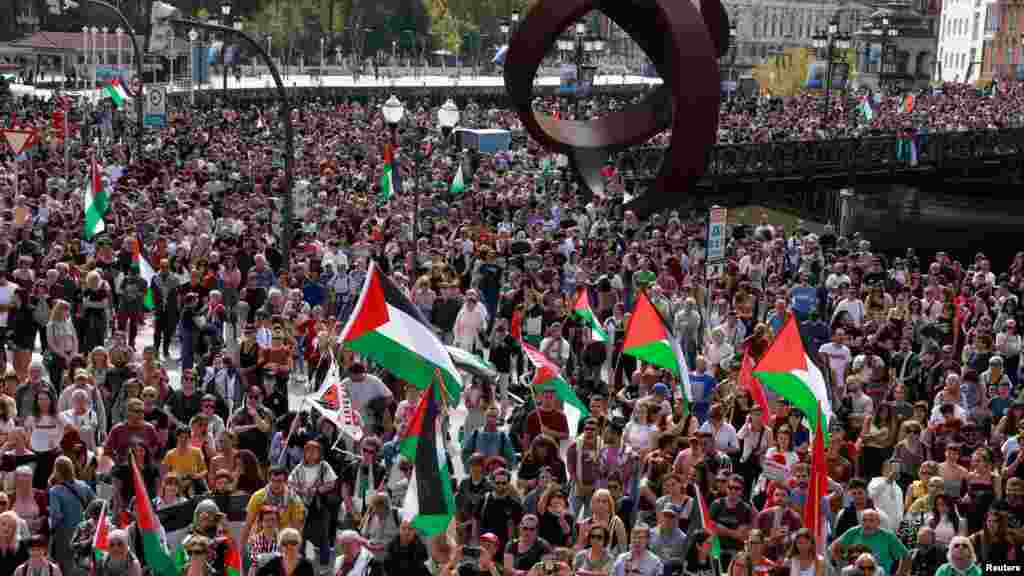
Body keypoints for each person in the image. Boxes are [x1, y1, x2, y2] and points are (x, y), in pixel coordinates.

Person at [47, 456, 94, 576]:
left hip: (64, 535)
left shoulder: (55, 491)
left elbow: (56, 516)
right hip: (84, 533)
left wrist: (51, 530)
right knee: (83, 565)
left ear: (56, 470)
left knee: (66, 567)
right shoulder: (83, 485)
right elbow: (96, 504)